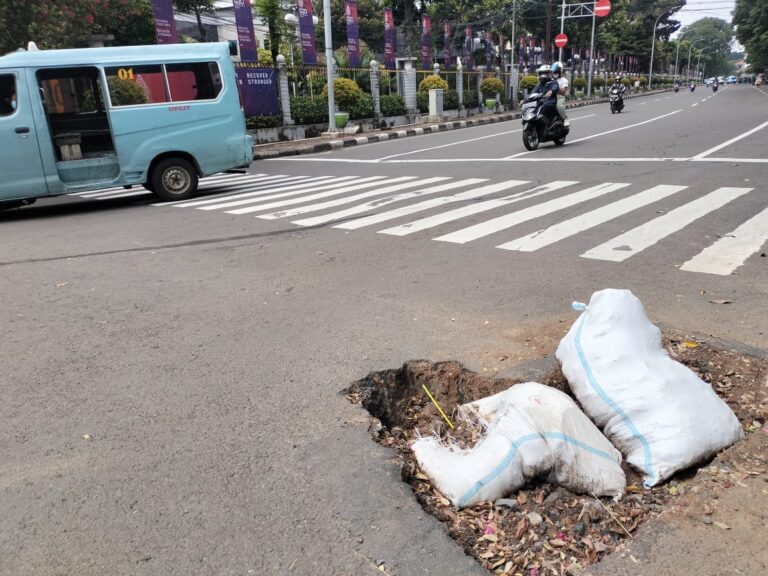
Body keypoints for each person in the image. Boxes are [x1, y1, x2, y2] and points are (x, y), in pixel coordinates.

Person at [551, 61, 569, 127]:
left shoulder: (563, 80)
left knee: (559, 106)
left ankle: (565, 118)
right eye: (554, 72)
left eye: (556, 72)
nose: (555, 74)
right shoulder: (550, 80)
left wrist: (554, 90)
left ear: (560, 72)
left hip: (559, 97)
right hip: (550, 97)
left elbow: (563, 91)